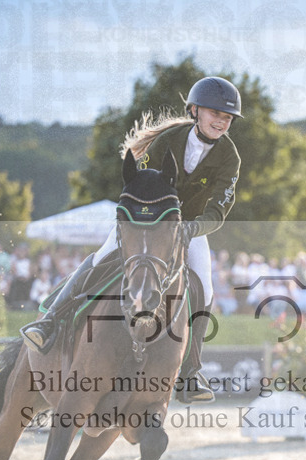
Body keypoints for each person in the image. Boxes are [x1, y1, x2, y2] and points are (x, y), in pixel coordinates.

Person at [21, 76, 243, 404]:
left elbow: (219, 209)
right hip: (146, 219)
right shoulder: (168, 140)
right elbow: (142, 183)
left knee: (206, 286)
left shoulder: (230, 157)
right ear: (195, 110)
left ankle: (191, 371)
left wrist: (191, 229)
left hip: (190, 226)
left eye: (227, 118)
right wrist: (146, 224)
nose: (221, 121)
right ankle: (50, 322)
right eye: (215, 114)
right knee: (100, 257)